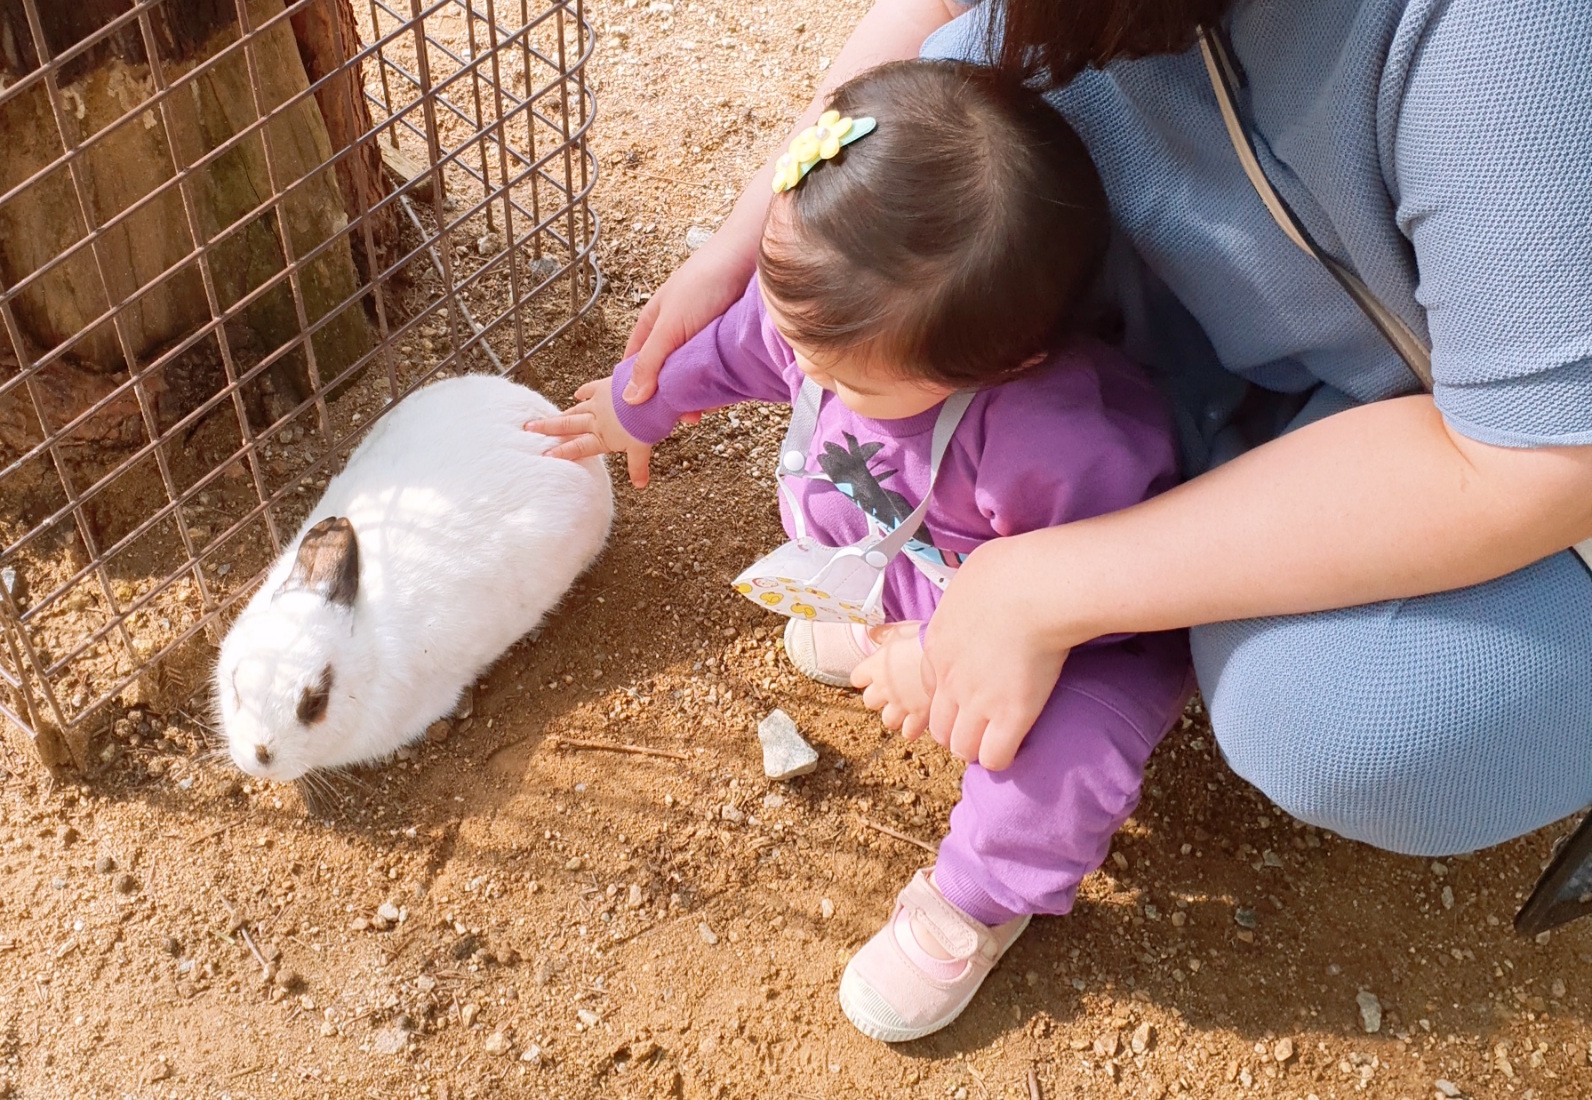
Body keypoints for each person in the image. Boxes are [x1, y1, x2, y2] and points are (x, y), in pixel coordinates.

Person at [620, 0, 1592, 868]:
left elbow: (1541, 456)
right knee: (968, 94)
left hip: (1512, 426)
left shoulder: (1516, 31)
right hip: (1290, 337)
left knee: (1329, 714)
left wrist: (1043, 583)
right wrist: (749, 248)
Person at [528, 60, 1190, 1041]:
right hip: (934, 565)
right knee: (851, 502)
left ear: (998, 365)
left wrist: (943, 660)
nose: (798, 369)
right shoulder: (841, 312)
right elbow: (742, 344)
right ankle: (885, 629)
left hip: (1081, 639)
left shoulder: (1063, 448)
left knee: (1057, 753)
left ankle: (974, 900)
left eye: (839, 372)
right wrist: (642, 402)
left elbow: (1115, 597)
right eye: (795, 332)